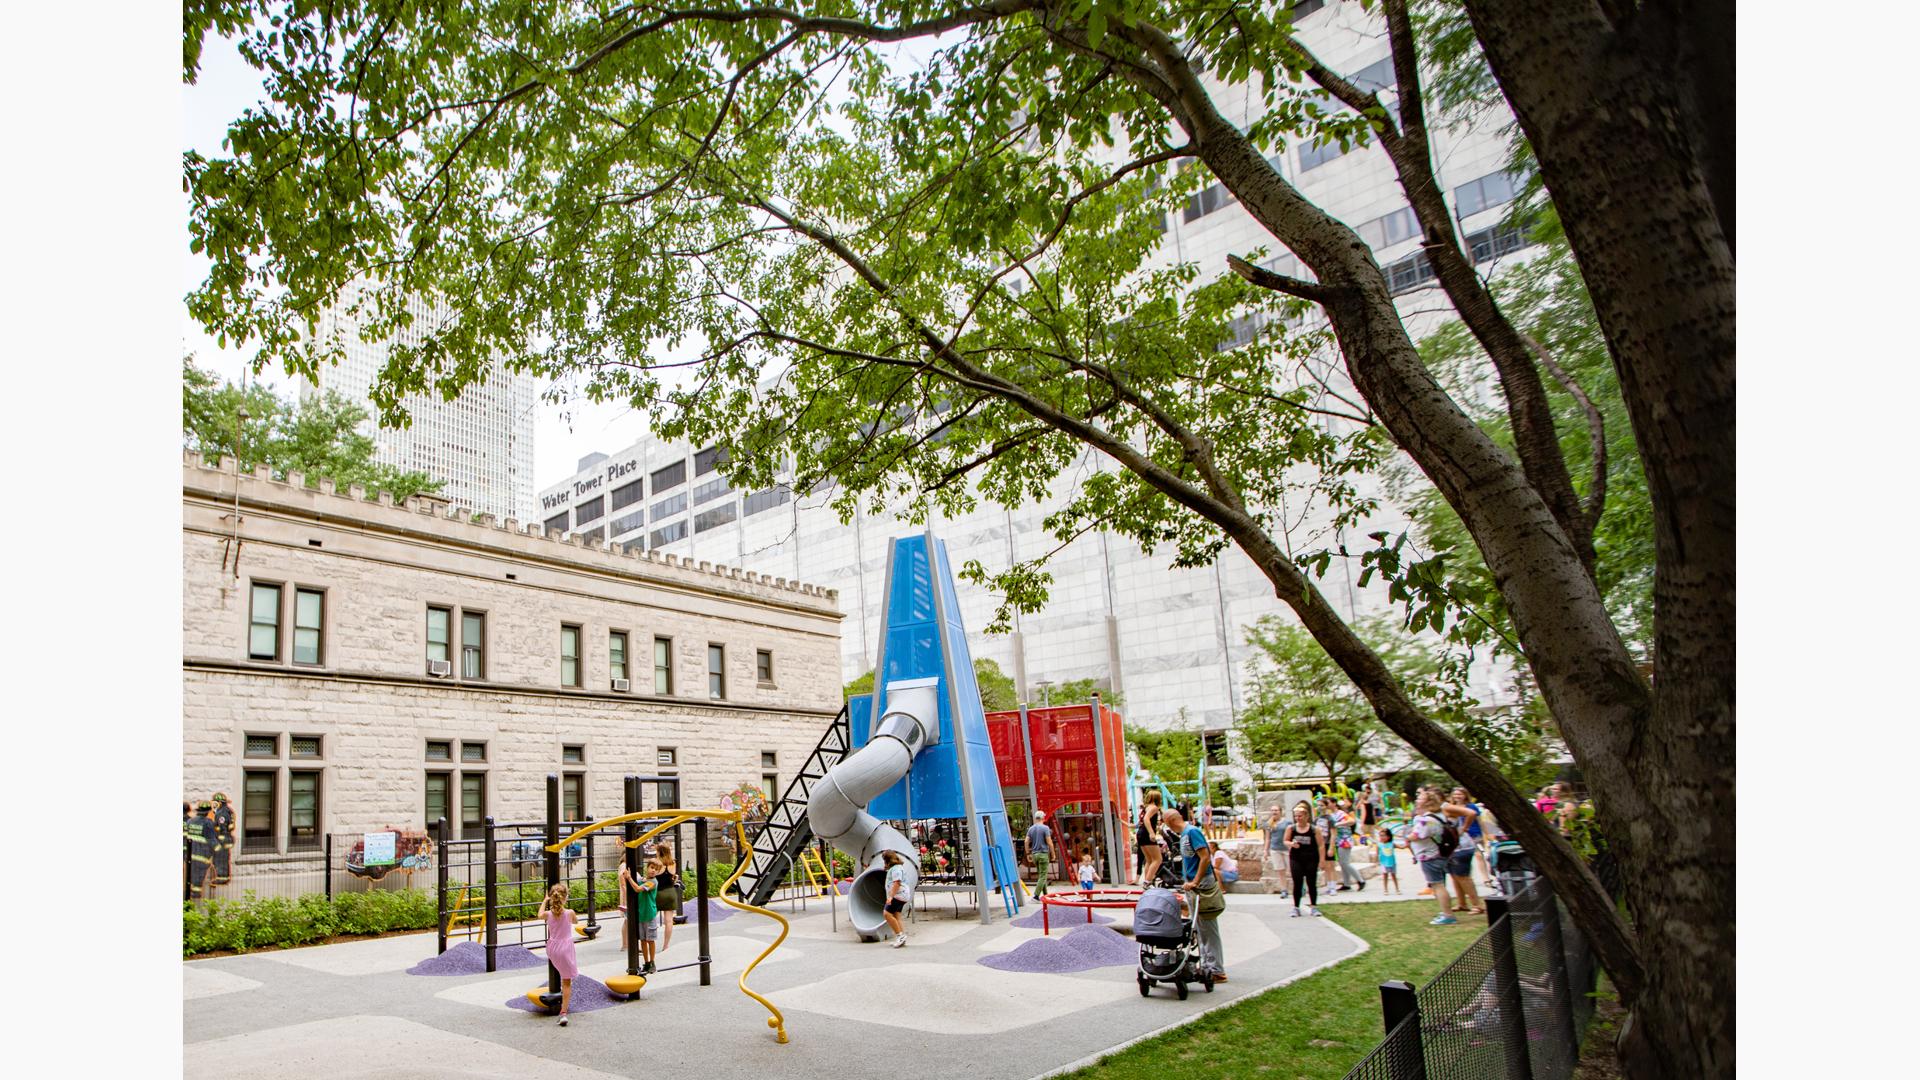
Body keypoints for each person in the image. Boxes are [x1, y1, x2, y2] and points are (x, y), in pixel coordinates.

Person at [1164, 808, 1226, 983]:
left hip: (1201, 884)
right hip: (1192, 884)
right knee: (1199, 927)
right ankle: (1208, 966)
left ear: (1170, 821)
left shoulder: (1192, 832)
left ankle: (1216, 969)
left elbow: (1205, 857)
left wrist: (1195, 881)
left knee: (1207, 927)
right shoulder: (1184, 834)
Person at [1407, 790, 1460, 925]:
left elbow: (1416, 835)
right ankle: (1446, 911)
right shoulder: (1438, 816)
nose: (1417, 800)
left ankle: (1448, 915)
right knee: (1439, 884)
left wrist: (1408, 836)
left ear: (1427, 802)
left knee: (1437, 885)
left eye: (1420, 798)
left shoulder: (1426, 820)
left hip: (1430, 856)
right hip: (1439, 854)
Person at [538, 883, 580, 1026]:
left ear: (551, 897)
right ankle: (563, 1013)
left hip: (552, 948)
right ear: (566, 897)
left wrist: (544, 901)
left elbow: (539, 915)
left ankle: (559, 993)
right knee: (567, 982)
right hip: (565, 949)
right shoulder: (570, 913)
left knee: (561, 970)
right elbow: (575, 921)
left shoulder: (548, 914)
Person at [619, 858, 660, 973]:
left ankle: (652, 962)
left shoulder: (653, 882)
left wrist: (629, 878)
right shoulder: (644, 879)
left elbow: (637, 889)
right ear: (647, 867)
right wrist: (627, 875)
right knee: (642, 940)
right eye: (652, 868)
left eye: (656, 870)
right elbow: (637, 881)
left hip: (649, 914)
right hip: (641, 914)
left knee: (650, 940)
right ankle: (646, 963)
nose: (653, 871)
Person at [1284, 803, 1322, 917]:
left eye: (1300, 816)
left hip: (1311, 858)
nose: (1298, 818)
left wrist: (1322, 860)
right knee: (1297, 882)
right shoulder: (1291, 828)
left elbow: (1320, 845)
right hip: (1296, 858)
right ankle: (1296, 907)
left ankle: (1314, 906)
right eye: (1296, 816)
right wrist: (1291, 844)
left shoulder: (1314, 829)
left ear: (1307, 816)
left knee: (1311, 882)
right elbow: (1285, 840)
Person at [877, 849, 912, 946]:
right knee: (897, 916)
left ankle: (899, 935)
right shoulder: (896, 867)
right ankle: (901, 937)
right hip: (902, 895)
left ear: (888, 860)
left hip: (898, 895)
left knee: (887, 914)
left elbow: (897, 882)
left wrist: (890, 897)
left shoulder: (896, 869)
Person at [653, 842, 683, 953]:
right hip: (670, 892)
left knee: (650, 919)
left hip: (658, 893)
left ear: (659, 852)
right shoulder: (672, 863)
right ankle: (666, 945)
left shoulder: (657, 863)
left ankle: (649, 942)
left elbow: (652, 877)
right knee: (669, 921)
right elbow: (673, 878)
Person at [184, 801, 217, 900]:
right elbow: (212, 840)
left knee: (192, 874)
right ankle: (196, 896)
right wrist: (219, 850)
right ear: (207, 812)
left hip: (191, 854)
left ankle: (190, 898)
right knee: (199, 876)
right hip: (202, 855)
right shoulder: (208, 823)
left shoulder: (190, 821)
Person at [1025, 810, 1061, 894]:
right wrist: (1053, 854)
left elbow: (1026, 841)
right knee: (1043, 876)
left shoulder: (1031, 829)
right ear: (1043, 818)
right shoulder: (1045, 828)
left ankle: (1045, 895)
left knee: (1041, 875)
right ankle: (1036, 896)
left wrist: (1027, 853)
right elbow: (1049, 842)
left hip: (1034, 855)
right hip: (1043, 854)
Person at [1333, 800, 1365, 892]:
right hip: (1339, 841)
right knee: (1342, 863)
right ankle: (1346, 883)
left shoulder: (1341, 814)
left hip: (1345, 840)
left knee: (1345, 862)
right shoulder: (1334, 814)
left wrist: (1338, 824)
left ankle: (1360, 880)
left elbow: (1352, 820)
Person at [1135, 790, 1164, 886]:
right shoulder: (1154, 808)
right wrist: (1152, 833)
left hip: (1141, 833)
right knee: (1158, 859)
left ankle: (1147, 880)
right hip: (1146, 834)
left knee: (1149, 859)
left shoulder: (1147, 807)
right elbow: (1146, 819)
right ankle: (1147, 882)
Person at [1262, 806, 1289, 897]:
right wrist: (1265, 850)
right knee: (1280, 870)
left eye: (1276, 810)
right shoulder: (1268, 824)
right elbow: (1267, 838)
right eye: (1272, 810)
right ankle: (1284, 890)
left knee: (1292, 870)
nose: (1274, 812)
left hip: (1287, 849)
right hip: (1275, 849)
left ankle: (1300, 887)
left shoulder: (1287, 822)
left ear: (1280, 811)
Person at [1376, 826, 1402, 894]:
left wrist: (1407, 844)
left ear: (1388, 836)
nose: (1381, 837)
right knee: (1385, 876)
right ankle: (1385, 889)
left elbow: (1401, 847)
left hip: (1392, 863)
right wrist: (1377, 862)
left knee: (1393, 876)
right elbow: (1377, 854)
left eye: (1383, 836)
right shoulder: (1379, 845)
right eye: (1380, 836)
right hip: (1384, 863)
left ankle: (1397, 889)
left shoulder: (1392, 844)